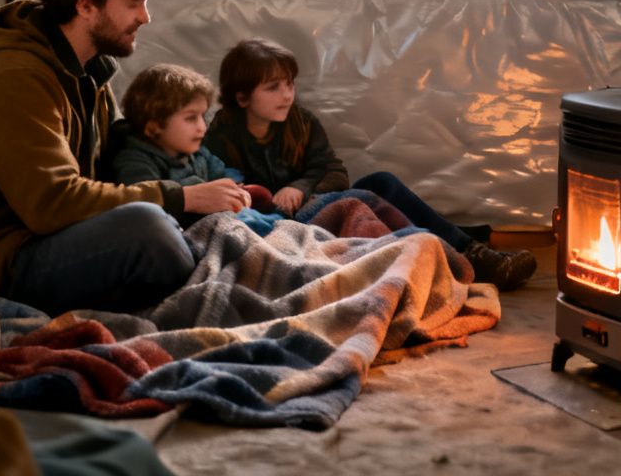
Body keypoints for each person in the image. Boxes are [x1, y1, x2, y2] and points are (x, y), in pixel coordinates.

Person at [0, 0, 248, 314]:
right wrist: (180, 197)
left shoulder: (87, 71)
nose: (145, 17)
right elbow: (51, 204)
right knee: (150, 230)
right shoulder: (12, 79)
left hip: (49, 235)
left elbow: (121, 156)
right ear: (86, 6)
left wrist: (198, 190)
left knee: (191, 223)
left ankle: (193, 281)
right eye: (133, 3)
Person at [203, 38, 537, 292]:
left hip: (315, 203)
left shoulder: (301, 122)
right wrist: (271, 198)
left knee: (382, 182)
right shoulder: (220, 135)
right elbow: (228, 189)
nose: (287, 95)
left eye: (290, 84)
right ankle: (456, 260)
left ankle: (473, 251)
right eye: (273, 87)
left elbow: (334, 172)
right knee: (360, 201)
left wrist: (302, 187)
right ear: (242, 97)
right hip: (281, 225)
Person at [108, 64, 273, 219]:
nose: (202, 127)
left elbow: (220, 173)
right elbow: (147, 209)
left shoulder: (199, 153)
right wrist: (193, 189)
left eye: (203, 116)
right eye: (191, 118)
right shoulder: (135, 162)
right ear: (154, 127)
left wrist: (236, 188)